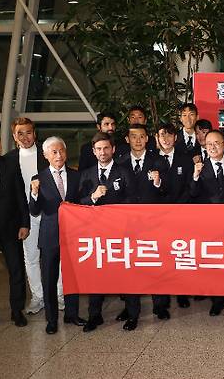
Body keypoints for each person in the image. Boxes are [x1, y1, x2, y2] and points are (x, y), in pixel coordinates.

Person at [28, 137, 87, 334]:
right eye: (53, 152)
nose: (59, 155)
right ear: (45, 156)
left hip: (73, 235)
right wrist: (34, 193)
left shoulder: (76, 175)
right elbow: (34, 210)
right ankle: (51, 319)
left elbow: (81, 204)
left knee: (73, 277)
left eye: (61, 151)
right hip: (50, 236)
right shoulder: (38, 178)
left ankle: (72, 314)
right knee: (49, 278)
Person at [78, 132, 135, 332]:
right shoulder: (85, 174)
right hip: (95, 233)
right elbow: (78, 204)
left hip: (121, 232)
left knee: (126, 273)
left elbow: (132, 200)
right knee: (96, 274)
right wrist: (92, 197)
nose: (103, 152)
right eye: (99, 149)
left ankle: (132, 313)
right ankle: (95, 316)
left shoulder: (124, 171)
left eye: (106, 148)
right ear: (93, 152)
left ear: (113, 149)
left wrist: (116, 213)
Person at [189, 130, 224, 316]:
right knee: (214, 262)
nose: (213, 147)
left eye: (217, 143)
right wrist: (195, 176)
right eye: (209, 144)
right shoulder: (200, 167)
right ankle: (217, 299)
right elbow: (193, 194)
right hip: (209, 224)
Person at [116, 124, 168, 323]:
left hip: (153, 223)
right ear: (127, 140)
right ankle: (132, 311)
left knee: (156, 263)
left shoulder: (158, 161)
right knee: (131, 267)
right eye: (133, 137)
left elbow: (167, 191)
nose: (138, 140)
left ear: (147, 139)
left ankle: (160, 306)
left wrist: (157, 183)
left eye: (142, 136)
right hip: (128, 224)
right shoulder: (119, 163)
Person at [6, 117, 51, 315]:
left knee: (53, 255)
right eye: (20, 133)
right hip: (24, 217)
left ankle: (58, 295)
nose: (25, 137)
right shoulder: (8, 160)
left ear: (35, 133)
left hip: (48, 211)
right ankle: (38, 297)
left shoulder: (47, 153)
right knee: (31, 258)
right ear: (14, 136)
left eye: (29, 132)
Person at [156, 122, 194, 308]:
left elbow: (189, 187)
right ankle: (161, 301)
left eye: (169, 135)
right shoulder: (151, 159)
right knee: (161, 256)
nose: (166, 138)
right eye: (162, 135)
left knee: (181, 254)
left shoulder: (185, 159)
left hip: (182, 213)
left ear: (175, 138)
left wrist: (179, 207)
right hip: (158, 217)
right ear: (157, 138)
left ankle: (182, 293)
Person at [0, 146, 30, 327]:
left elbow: (20, 195)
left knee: (16, 270)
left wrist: (24, 223)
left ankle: (17, 310)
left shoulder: (10, 164)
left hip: (11, 228)